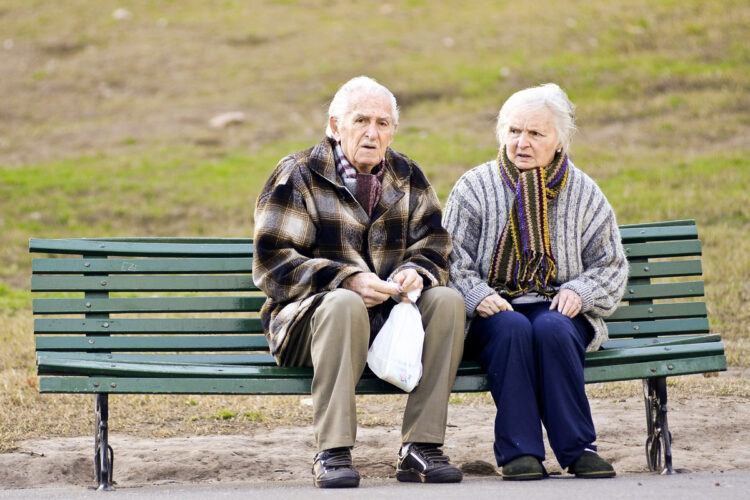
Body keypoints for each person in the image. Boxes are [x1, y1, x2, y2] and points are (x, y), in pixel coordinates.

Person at [253, 76, 465, 488]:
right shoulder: (298, 174)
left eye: (383, 123)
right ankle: (332, 451)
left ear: (394, 131)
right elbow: (273, 261)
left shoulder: (408, 176)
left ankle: (420, 447)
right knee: (344, 303)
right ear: (335, 125)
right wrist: (346, 279)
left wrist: (416, 272)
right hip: (309, 323)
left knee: (447, 301)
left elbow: (437, 245)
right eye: (361, 120)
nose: (373, 133)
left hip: (385, 320)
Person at [443, 83, 628, 480]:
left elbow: (611, 264)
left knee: (553, 329)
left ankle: (578, 449)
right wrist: (476, 294)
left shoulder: (583, 191)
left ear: (559, 139)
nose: (521, 142)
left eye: (535, 133)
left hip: (558, 305)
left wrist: (581, 291)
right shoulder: (474, 187)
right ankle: (519, 452)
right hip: (494, 310)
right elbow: (449, 260)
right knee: (511, 329)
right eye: (513, 131)